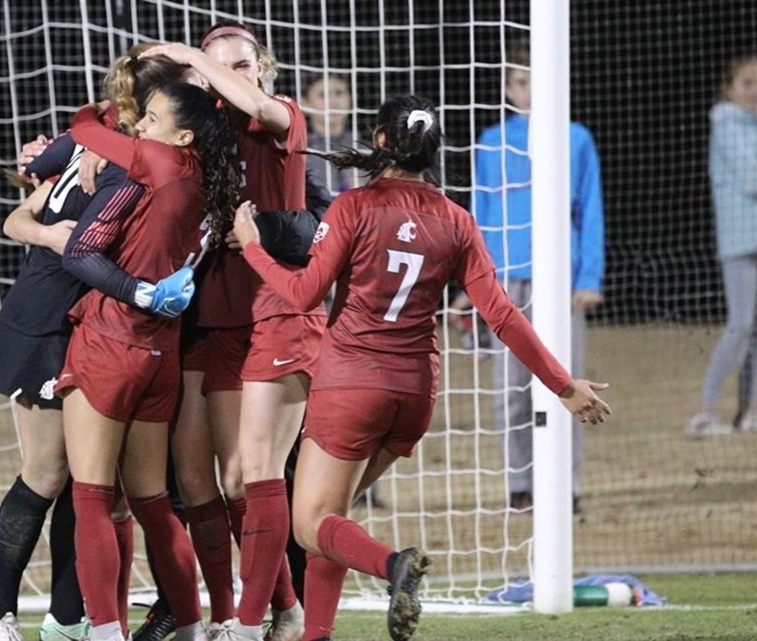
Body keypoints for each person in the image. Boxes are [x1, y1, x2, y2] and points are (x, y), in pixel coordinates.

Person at [232, 94, 613, 641]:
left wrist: (251, 246)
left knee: (311, 524)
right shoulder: (456, 220)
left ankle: (395, 566)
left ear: (381, 140)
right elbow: (501, 313)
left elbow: (302, 293)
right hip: (414, 394)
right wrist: (563, 384)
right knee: (334, 519)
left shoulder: (353, 207)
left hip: (351, 386)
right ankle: (316, 635)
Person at [0, 46, 193, 641]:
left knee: (90, 478)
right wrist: (49, 231)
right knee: (48, 472)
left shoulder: (114, 148)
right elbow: (18, 220)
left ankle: (69, 617)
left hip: (90, 325)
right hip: (44, 320)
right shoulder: (103, 149)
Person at [142, 22, 323, 641]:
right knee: (193, 481)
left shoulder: (282, 118)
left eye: (241, 66)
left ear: (261, 71)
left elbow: (252, 104)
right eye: (218, 69)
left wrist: (196, 59)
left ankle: (282, 608)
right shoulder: (200, 139)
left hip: (266, 319)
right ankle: (220, 615)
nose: (229, 78)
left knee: (242, 479)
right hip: (199, 318)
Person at [55, 81, 240, 641]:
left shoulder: (159, 161)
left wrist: (106, 108)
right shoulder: (211, 181)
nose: (140, 126)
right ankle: (189, 626)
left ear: (181, 135)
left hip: (112, 343)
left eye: (151, 118)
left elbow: (83, 131)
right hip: (161, 354)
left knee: (91, 498)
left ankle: (106, 633)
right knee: (154, 502)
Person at [467, 47, 605, 513]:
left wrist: (588, 275)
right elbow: (478, 219)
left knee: (569, 384)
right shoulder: (490, 142)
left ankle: (567, 488)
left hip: (561, 281)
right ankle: (521, 485)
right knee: (509, 391)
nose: (530, 90)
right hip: (505, 282)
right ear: (508, 89)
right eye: (521, 81)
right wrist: (475, 283)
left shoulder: (577, 138)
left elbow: (590, 211)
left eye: (538, 80)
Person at [686, 55, 757, 437]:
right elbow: (753, 179)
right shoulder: (726, 127)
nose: (756, 90)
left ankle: (746, 413)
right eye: (747, 83)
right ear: (729, 88)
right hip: (740, 241)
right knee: (739, 325)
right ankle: (705, 412)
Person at [302, 73, 359, 193]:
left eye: (339, 93)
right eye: (323, 95)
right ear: (305, 104)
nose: (333, 102)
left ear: (352, 99)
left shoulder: (367, 151)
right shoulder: (301, 154)